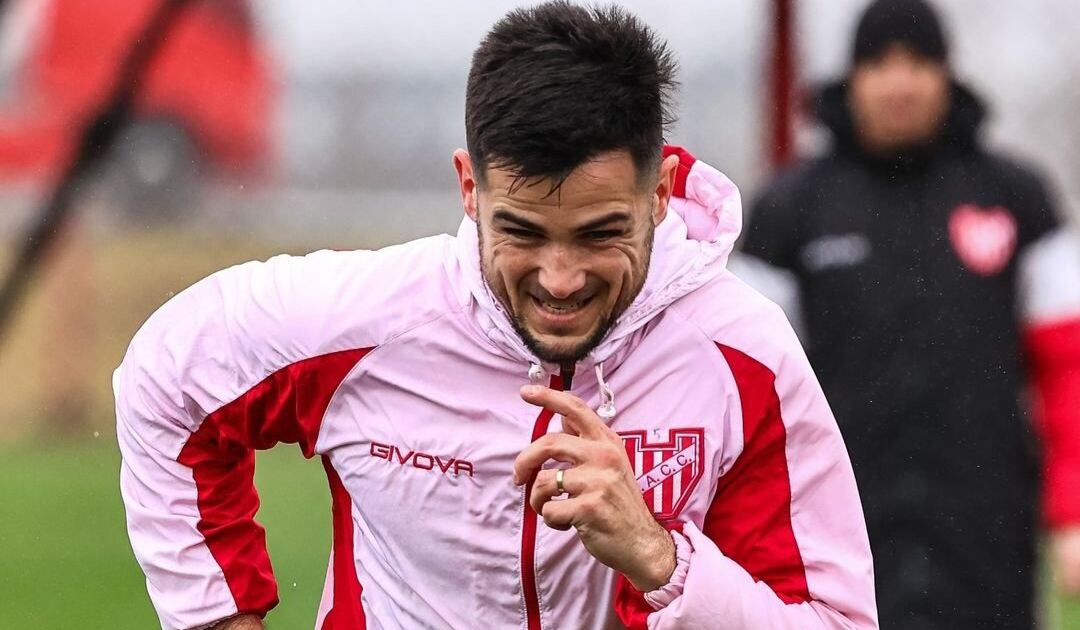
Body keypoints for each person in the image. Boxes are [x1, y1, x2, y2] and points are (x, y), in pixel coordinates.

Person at [116, 3, 878, 629]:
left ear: (662, 190)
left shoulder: (743, 356)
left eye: (599, 233)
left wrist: (661, 559)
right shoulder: (368, 317)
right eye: (521, 232)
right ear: (468, 188)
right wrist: (219, 616)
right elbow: (164, 378)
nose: (559, 279)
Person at [740, 0, 1080, 628]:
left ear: (947, 74)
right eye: (881, 62)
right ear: (853, 76)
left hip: (988, 537)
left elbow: (1068, 367)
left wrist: (1072, 510)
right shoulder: (789, 211)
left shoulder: (1019, 196)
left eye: (920, 61)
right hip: (839, 535)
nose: (901, 80)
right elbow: (744, 390)